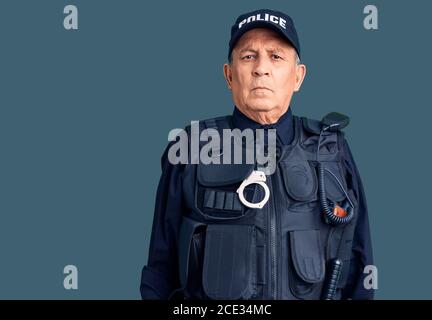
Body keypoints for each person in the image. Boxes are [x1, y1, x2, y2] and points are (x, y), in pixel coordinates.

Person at [140, 8, 374, 300]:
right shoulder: (191, 148)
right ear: (228, 75)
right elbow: (160, 270)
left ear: (298, 77)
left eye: (276, 56)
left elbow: (360, 260)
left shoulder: (330, 149)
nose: (261, 68)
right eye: (248, 56)